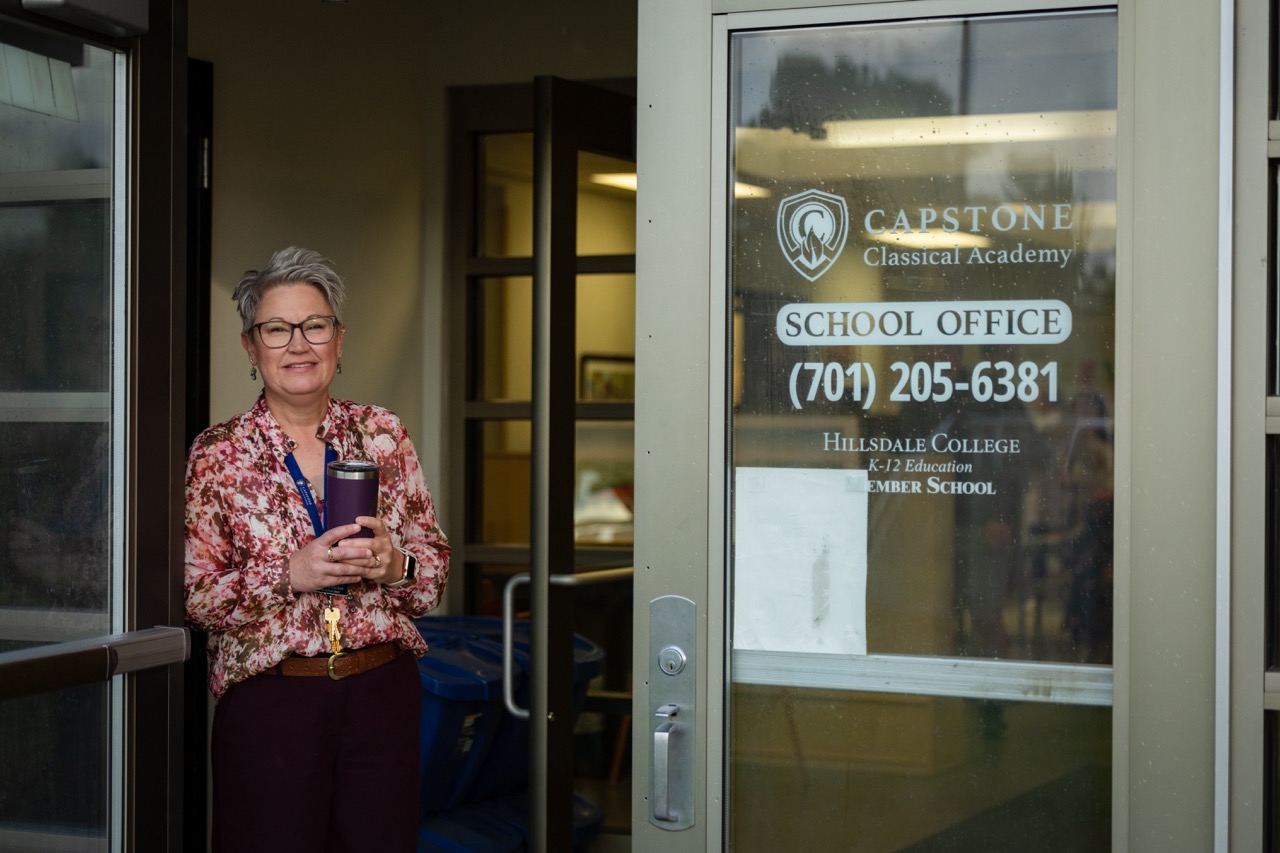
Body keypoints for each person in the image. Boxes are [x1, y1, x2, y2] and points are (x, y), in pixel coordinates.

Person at [184, 247, 449, 852]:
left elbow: (432, 580)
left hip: (381, 692)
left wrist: (395, 565)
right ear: (251, 347)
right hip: (273, 702)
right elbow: (197, 599)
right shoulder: (218, 454)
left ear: (338, 338)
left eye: (316, 325)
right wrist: (289, 573)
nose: (298, 345)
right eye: (277, 329)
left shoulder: (384, 433)